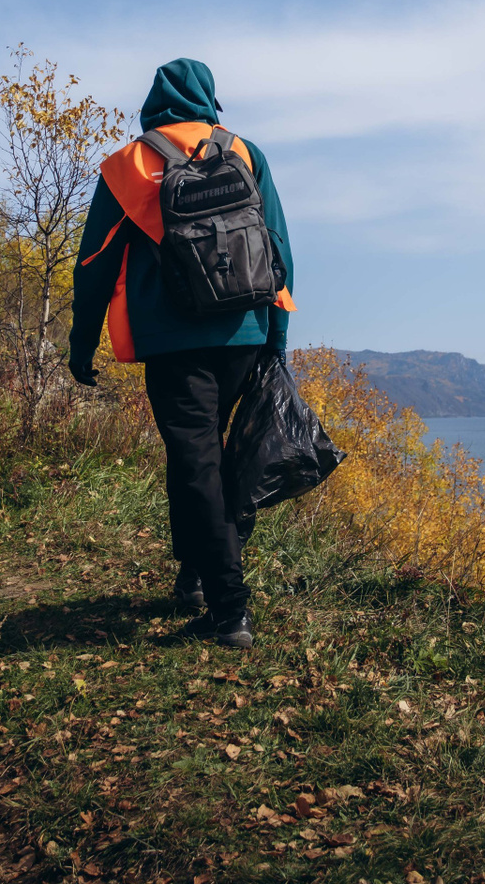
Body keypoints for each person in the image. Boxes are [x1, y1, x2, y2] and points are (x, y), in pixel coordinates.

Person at [68, 59, 296, 650]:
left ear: (153, 104)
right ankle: (194, 577)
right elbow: (277, 246)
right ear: (209, 100)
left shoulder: (128, 164)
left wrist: (81, 342)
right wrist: (275, 339)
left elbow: (93, 264)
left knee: (197, 463)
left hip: (171, 339)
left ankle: (229, 610)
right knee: (198, 460)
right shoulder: (243, 152)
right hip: (244, 333)